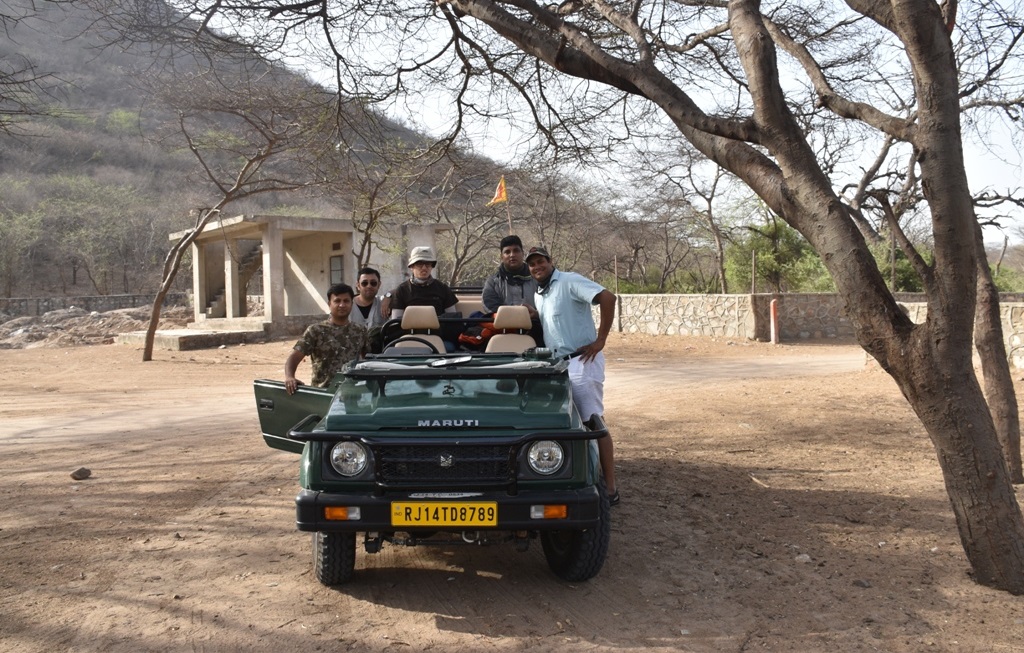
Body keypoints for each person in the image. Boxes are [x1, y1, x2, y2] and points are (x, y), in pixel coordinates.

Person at [526, 245, 619, 506]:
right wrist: (533, 313)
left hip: (582, 360)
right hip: (558, 365)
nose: (537, 267)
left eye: (541, 261)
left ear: (550, 261)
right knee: (567, 424)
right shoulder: (540, 293)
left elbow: (608, 297)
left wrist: (601, 339)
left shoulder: (569, 281)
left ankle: (611, 488)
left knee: (593, 422)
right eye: (532, 264)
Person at [284, 283, 367, 395]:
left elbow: (368, 360)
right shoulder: (315, 330)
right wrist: (290, 377)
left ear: (352, 304)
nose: (342, 305)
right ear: (329, 304)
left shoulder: (360, 331)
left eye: (346, 301)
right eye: (337, 301)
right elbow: (294, 357)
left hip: (352, 394)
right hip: (323, 394)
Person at [389, 246, 459, 319]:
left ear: (432, 266)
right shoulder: (402, 290)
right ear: (412, 267)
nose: (424, 268)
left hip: (438, 326)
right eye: (419, 264)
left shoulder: (443, 288)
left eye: (428, 264)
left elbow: (452, 319)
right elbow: (396, 321)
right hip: (410, 327)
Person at [482, 235, 538, 316]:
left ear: (522, 253)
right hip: (503, 323)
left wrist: (536, 314)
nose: (512, 255)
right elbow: (490, 305)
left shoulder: (537, 278)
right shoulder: (493, 282)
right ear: (501, 256)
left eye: (516, 251)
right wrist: (514, 316)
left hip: (534, 322)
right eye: (507, 252)